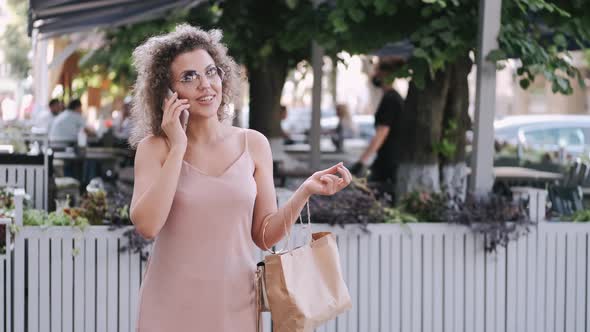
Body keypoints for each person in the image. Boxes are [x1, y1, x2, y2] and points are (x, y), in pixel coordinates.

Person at [128, 24, 352, 331]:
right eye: (189, 77)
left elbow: (263, 234)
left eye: (211, 72)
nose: (205, 85)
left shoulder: (253, 143)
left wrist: (305, 191)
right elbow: (147, 225)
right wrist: (178, 146)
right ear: (168, 92)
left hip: (236, 303)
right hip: (170, 303)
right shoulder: (155, 149)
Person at [350, 59, 405, 183]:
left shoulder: (390, 99)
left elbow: (382, 132)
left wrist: (362, 161)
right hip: (389, 160)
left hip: (388, 162)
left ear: (386, 74)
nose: (373, 75)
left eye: (376, 70)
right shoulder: (392, 97)